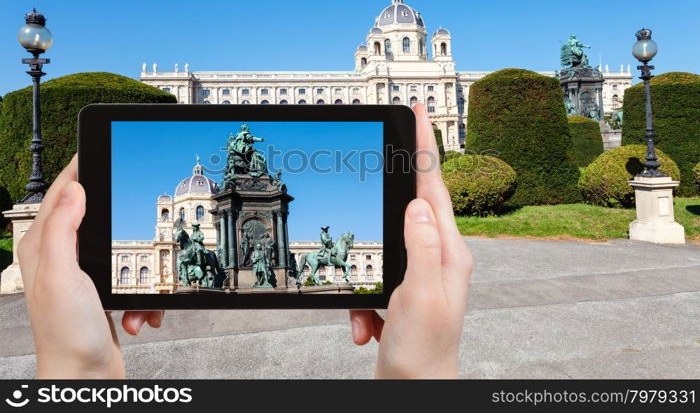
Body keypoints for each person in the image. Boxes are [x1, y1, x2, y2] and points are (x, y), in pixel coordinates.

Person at [19, 104, 472, 379]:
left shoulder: (245, 161)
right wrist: (421, 377)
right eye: (190, 211)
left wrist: (78, 373)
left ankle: (269, 273)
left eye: (198, 209)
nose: (193, 215)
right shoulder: (203, 209)